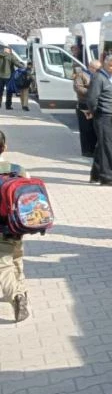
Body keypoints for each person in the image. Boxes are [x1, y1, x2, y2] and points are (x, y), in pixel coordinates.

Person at [0, 130, 30, 322]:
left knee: (3, 265)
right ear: (5, 147)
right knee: (17, 258)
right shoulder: (18, 169)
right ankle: (22, 290)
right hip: (17, 225)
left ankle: (15, 296)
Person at [87, 55, 112, 186]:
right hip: (104, 116)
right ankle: (106, 177)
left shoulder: (110, 78)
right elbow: (92, 99)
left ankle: (95, 175)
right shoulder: (99, 77)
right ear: (105, 64)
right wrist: (96, 113)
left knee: (102, 146)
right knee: (108, 147)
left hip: (111, 115)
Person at [74, 60, 100, 158]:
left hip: (95, 104)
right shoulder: (81, 75)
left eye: (99, 69)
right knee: (86, 128)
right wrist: (93, 92)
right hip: (84, 104)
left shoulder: (98, 76)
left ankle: (94, 149)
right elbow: (78, 88)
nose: (97, 70)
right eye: (96, 68)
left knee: (94, 128)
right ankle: (86, 150)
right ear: (90, 67)